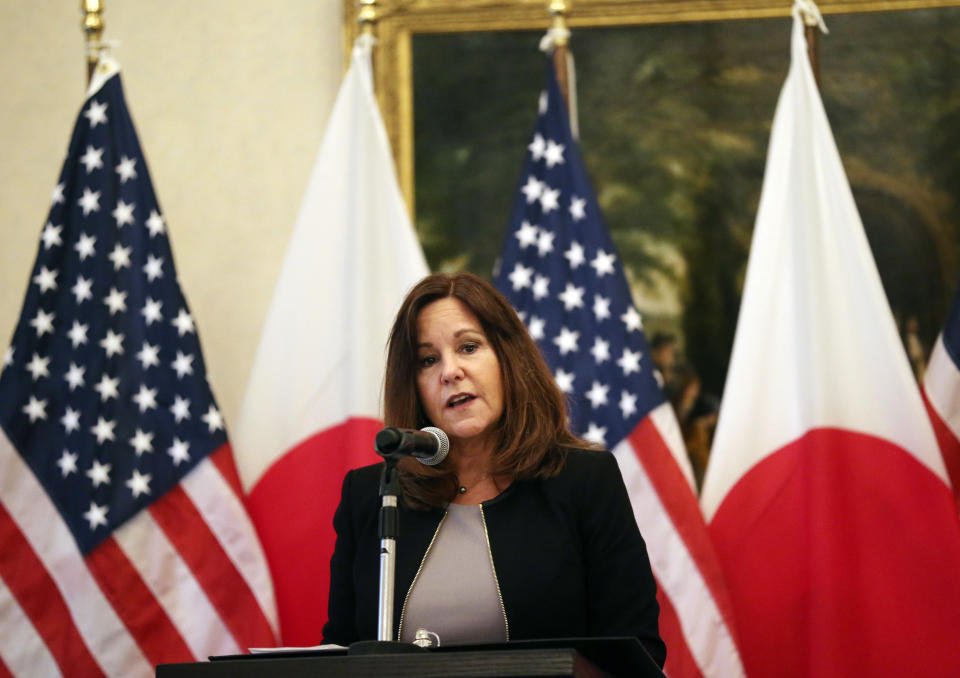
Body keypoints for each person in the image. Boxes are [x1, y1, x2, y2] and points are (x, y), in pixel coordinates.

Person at [321, 272, 666, 667]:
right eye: (428, 360)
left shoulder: (584, 481)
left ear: (508, 359)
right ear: (413, 384)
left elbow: (636, 652)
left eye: (468, 347)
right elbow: (340, 653)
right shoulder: (375, 494)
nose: (449, 372)